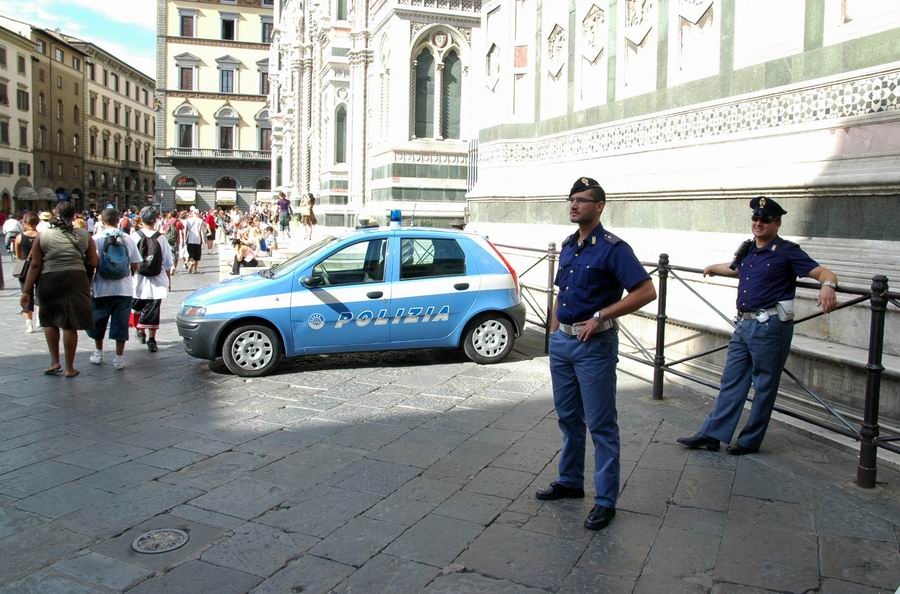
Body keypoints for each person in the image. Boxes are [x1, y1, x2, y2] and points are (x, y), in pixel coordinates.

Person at [536, 177, 657, 531]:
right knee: (568, 418)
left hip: (594, 348)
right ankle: (570, 481)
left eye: (582, 200)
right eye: (571, 200)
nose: (574, 206)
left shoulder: (613, 248)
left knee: (602, 425)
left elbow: (646, 291)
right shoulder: (570, 245)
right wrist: (554, 328)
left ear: (599, 206)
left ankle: (605, 501)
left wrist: (602, 315)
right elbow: (562, 291)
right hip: (563, 344)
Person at [677, 196, 839, 455]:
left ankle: (749, 440)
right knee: (731, 380)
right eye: (755, 218)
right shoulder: (748, 249)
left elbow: (823, 273)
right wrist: (712, 267)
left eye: (765, 220)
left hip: (770, 326)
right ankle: (712, 434)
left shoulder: (787, 250)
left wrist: (828, 287)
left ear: (777, 224)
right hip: (744, 324)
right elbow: (738, 270)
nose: (758, 223)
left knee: (764, 385)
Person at [19, 202, 99, 378]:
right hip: (76, 279)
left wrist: (26, 291)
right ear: (74, 216)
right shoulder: (84, 235)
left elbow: (35, 264)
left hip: (50, 279)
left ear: (55, 214)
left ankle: (55, 362)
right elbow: (94, 262)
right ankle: (70, 368)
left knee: (50, 320)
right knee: (70, 324)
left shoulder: (44, 235)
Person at [88, 208, 142, 369]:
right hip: (123, 288)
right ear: (118, 220)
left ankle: (98, 353)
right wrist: (128, 274)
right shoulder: (127, 238)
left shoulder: (96, 238)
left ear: (102, 221)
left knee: (98, 322)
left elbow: (93, 263)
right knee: (120, 323)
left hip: (101, 288)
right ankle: (119, 358)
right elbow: (135, 263)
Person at [131, 207, 173, 353]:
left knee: (137, 306)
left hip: (138, 279)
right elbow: (167, 262)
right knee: (153, 309)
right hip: (157, 279)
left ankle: (139, 331)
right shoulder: (161, 238)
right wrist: (168, 279)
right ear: (155, 221)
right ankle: (151, 339)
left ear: (141, 219)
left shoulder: (134, 236)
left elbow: (130, 259)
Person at [14, 212, 40, 333]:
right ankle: (40, 318)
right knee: (40, 293)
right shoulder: (41, 236)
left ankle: (29, 324)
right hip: (40, 268)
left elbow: (18, 256)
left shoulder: (19, 237)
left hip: (25, 269)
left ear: (25, 222)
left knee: (26, 294)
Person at [184, 208, 205, 273]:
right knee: (197, 255)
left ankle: (191, 262)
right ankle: (195, 269)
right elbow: (201, 231)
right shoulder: (200, 220)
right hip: (198, 240)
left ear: (192, 213)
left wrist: (185, 238)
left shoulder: (188, 220)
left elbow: (186, 230)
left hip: (190, 239)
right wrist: (203, 241)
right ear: (198, 213)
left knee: (191, 254)